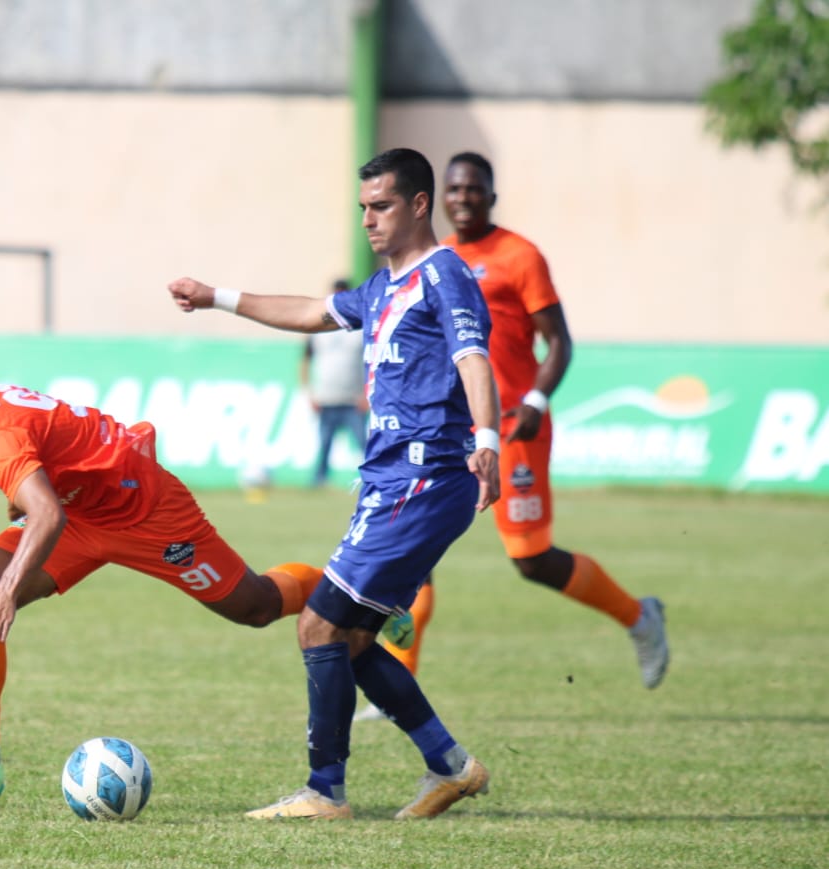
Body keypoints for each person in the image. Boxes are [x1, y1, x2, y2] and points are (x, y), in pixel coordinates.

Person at [0, 383, 412, 799]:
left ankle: (357, 592)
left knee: (257, 606)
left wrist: (11, 589)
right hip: (82, 510)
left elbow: (44, 512)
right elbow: (45, 438)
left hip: (143, 510)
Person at [168, 147, 500, 821]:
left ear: (416, 204)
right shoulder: (380, 289)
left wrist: (487, 440)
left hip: (423, 478)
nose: (369, 221)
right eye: (362, 209)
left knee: (317, 625)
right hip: (388, 481)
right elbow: (311, 313)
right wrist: (216, 298)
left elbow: (472, 358)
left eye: (380, 206)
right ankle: (449, 765)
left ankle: (325, 792)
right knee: (346, 640)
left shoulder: (444, 276)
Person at [368, 151, 669, 702]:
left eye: (473, 189)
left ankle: (638, 616)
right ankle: (398, 685)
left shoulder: (519, 256)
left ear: (491, 196)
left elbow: (559, 341)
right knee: (414, 551)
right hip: (445, 431)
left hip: (512, 427)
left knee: (532, 560)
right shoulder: (433, 258)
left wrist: (534, 398)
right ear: (437, 200)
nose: (463, 198)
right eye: (454, 190)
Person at [301, 279, 369, 488]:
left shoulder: (361, 328)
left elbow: (371, 362)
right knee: (324, 443)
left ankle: (375, 478)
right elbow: (305, 361)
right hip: (326, 396)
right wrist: (309, 392)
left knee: (363, 443)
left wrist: (366, 394)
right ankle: (319, 480)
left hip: (353, 397)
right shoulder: (318, 329)